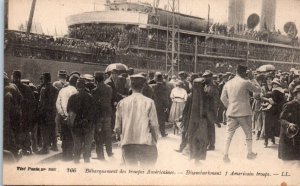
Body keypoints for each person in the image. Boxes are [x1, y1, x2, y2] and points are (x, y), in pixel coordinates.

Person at [115, 74, 159, 167]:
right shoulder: (149, 102)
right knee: (146, 173)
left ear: (131, 86)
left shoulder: (122, 102)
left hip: (128, 144)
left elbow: (118, 127)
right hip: (145, 143)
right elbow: (154, 125)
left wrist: (120, 140)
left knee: (131, 175)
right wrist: (155, 140)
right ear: (143, 86)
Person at [220, 65, 261, 163]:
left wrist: (229, 106)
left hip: (231, 112)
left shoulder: (228, 83)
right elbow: (258, 90)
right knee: (248, 134)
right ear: (244, 73)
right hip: (244, 112)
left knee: (228, 135)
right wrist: (253, 79)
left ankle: (225, 155)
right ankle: (249, 153)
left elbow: (222, 98)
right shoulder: (246, 82)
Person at [67, 78, 95, 163]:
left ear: (76, 86)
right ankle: (86, 160)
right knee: (87, 144)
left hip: (76, 125)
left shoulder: (72, 97)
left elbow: (69, 110)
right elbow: (93, 111)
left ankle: (76, 161)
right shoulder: (90, 97)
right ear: (85, 86)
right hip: (87, 124)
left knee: (77, 144)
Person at [56, 74, 79, 161]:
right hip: (73, 117)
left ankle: (64, 155)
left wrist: (63, 114)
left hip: (63, 117)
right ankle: (70, 155)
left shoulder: (62, 90)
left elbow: (58, 104)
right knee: (71, 136)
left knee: (64, 136)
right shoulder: (76, 91)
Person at [12, 70, 35, 155]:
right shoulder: (26, 88)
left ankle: (20, 149)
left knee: (18, 131)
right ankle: (27, 149)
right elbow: (32, 101)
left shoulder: (12, 87)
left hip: (17, 114)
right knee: (25, 131)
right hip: (25, 114)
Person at [91, 72, 113, 160]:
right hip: (107, 114)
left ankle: (100, 155)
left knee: (99, 136)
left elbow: (94, 105)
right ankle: (109, 152)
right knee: (108, 134)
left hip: (99, 116)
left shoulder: (94, 91)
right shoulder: (109, 88)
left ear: (95, 80)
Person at [186, 78, 209, 164]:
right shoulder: (205, 96)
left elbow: (186, 110)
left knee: (193, 138)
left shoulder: (190, 96)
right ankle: (197, 158)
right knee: (201, 139)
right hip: (202, 121)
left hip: (192, 121)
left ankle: (193, 156)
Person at [37, 73, 59, 154]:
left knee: (44, 130)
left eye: (43, 78)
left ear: (45, 79)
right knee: (52, 129)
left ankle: (45, 148)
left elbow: (42, 103)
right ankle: (54, 145)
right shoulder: (55, 89)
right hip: (52, 112)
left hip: (45, 112)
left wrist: (40, 112)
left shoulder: (43, 89)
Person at [278, 85, 300, 160]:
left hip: (298, 137)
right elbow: (281, 119)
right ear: (296, 95)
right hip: (289, 136)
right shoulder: (289, 105)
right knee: (290, 161)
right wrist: (289, 124)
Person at [202, 70, 221, 151]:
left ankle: (211, 145)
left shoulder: (212, 86)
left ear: (210, 77)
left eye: (206, 77)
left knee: (210, 127)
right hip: (207, 108)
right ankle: (208, 144)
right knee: (207, 127)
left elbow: (209, 96)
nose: (204, 78)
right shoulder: (207, 85)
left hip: (211, 109)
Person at [151, 72, 170, 137]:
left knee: (153, 119)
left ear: (156, 79)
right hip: (161, 106)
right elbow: (165, 97)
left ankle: (152, 133)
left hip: (154, 105)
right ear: (161, 79)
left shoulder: (153, 86)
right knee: (161, 119)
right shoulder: (164, 87)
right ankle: (162, 133)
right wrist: (166, 106)